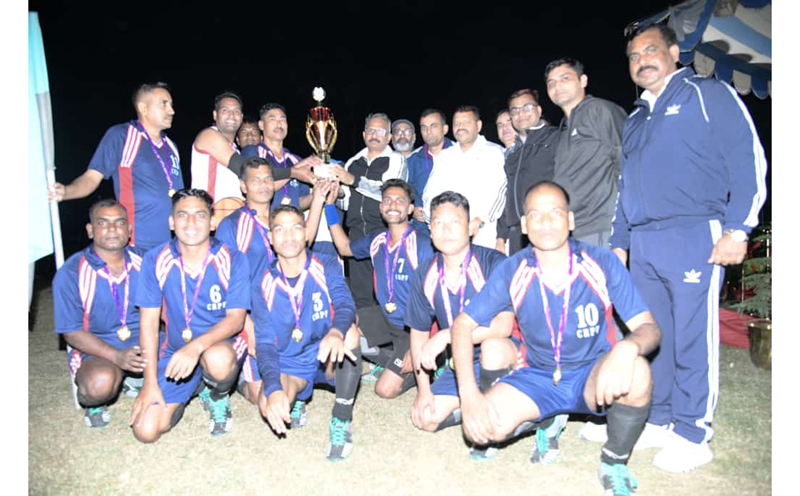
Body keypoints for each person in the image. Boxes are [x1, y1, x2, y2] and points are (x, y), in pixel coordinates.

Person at [609, 24, 768, 473]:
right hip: (644, 241)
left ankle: (694, 431)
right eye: (634, 56)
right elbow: (625, 187)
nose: (642, 60)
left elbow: (747, 158)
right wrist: (620, 243)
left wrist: (738, 230)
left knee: (694, 336)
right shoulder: (636, 117)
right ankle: (659, 418)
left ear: (674, 52)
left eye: (651, 50)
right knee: (655, 335)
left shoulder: (706, 93)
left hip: (694, 232)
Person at [451, 181, 661, 495]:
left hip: (592, 375)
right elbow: (461, 326)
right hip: (537, 375)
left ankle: (614, 461)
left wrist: (628, 346)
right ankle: (546, 422)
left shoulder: (602, 262)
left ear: (571, 219)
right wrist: (469, 396)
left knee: (638, 371)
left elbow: (649, 328)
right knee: (483, 430)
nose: (546, 222)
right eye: (535, 215)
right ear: (524, 224)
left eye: (555, 213)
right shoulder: (513, 268)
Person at [405, 191, 518, 459]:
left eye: (455, 222)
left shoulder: (494, 263)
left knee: (493, 348)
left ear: (470, 228)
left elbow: (502, 327)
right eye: (438, 223)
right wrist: (423, 391)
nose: (446, 230)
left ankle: (495, 417)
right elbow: (419, 335)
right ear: (430, 231)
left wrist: (448, 335)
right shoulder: (425, 273)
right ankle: (470, 407)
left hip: (505, 354)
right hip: (463, 363)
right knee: (426, 418)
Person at [130, 189, 250, 442]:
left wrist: (195, 348)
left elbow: (236, 319)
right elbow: (149, 323)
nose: (191, 223)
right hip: (175, 348)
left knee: (216, 359)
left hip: (220, 346)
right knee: (146, 430)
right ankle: (195, 386)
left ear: (212, 222)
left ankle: (218, 395)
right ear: (172, 223)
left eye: (200, 215)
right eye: (182, 215)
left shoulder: (233, 258)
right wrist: (149, 382)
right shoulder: (155, 259)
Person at [215, 157, 333, 404]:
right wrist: (248, 328)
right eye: (255, 179)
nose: (263, 184)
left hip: (288, 309)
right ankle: (236, 381)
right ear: (243, 185)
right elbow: (226, 283)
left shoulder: (282, 217)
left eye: (268, 178)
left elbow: (305, 242)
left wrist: (319, 198)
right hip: (255, 317)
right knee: (262, 398)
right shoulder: (231, 226)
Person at [252, 205, 362, 461]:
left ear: (306, 233)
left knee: (351, 333)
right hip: (291, 362)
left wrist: (336, 330)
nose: (289, 236)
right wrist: (272, 386)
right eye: (280, 229)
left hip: (327, 352)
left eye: (296, 228)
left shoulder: (325, 264)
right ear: (270, 238)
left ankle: (341, 419)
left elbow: (345, 304)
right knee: (268, 403)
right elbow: (266, 343)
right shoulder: (262, 282)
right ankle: (297, 397)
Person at [329, 179, 434, 399]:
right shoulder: (378, 240)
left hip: (413, 329)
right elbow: (344, 248)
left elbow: (436, 299)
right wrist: (329, 207)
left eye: (399, 201)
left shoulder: (423, 245)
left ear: (410, 209)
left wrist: (425, 342)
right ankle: (395, 359)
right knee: (341, 325)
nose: (393, 205)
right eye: (387, 200)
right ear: (380, 207)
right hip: (386, 318)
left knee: (384, 390)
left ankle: (422, 361)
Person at [49, 82, 184, 251]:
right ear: (143, 108)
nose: (171, 111)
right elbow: (92, 177)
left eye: (171, 105)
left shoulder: (171, 147)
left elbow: (179, 197)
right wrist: (66, 192)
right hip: (134, 244)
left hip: (169, 246)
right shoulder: (122, 136)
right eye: (163, 104)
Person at [53, 199, 147, 428]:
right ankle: (95, 402)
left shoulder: (148, 262)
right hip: (96, 348)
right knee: (100, 384)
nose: (113, 229)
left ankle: (133, 380)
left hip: (144, 341)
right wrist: (116, 356)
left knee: (188, 365)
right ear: (90, 230)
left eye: (119, 222)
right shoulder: (72, 271)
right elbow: (71, 332)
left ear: (129, 229)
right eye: (103, 223)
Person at [545, 58, 628, 247]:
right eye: (551, 82)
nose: (557, 86)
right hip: (572, 230)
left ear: (583, 81)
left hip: (601, 226)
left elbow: (626, 163)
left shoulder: (600, 110)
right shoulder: (563, 130)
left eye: (565, 78)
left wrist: (622, 226)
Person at [329, 113, 406, 309]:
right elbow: (345, 203)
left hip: (384, 232)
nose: (374, 135)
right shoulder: (353, 162)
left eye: (380, 131)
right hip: (356, 233)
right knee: (361, 295)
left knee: (388, 293)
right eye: (370, 130)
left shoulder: (396, 160)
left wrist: (353, 180)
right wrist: (337, 194)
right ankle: (368, 339)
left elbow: (389, 195)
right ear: (364, 134)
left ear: (389, 137)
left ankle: (394, 338)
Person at [421, 106, 506, 250]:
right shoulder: (445, 156)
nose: (460, 127)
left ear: (478, 126)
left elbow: (500, 193)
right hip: (448, 235)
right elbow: (429, 195)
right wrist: (434, 223)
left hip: (482, 234)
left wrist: (479, 221)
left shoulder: (494, 153)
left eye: (466, 122)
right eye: (456, 123)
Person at [497, 89, 559, 256]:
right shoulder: (513, 152)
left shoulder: (555, 138)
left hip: (546, 226)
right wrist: (501, 235)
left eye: (527, 107)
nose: (521, 113)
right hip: (517, 233)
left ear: (539, 110)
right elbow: (510, 195)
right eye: (515, 110)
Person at [254, 103, 319, 210]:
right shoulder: (255, 154)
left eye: (283, 120)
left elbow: (299, 203)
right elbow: (259, 189)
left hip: (292, 224)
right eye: (273, 119)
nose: (279, 124)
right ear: (261, 125)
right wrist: (293, 173)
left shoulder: (296, 160)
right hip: (264, 224)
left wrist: (318, 193)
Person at [191, 91, 245, 202]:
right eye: (225, 110)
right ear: (215, 115)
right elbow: (250, 171)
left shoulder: (235, 149)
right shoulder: (209, 135)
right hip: (211, 214)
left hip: (232, 215)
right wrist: (289, 172)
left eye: (236, 111)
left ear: (241, 117)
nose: (232, 115)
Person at [406, 109, 454, 232]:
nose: (428, 132)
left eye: (434, 126)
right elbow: (406, 191)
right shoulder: (413, 160)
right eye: (424, 127)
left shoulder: (459, 154)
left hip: (454, 225)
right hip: (423, 230)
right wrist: (413, 208)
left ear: (445, 129)